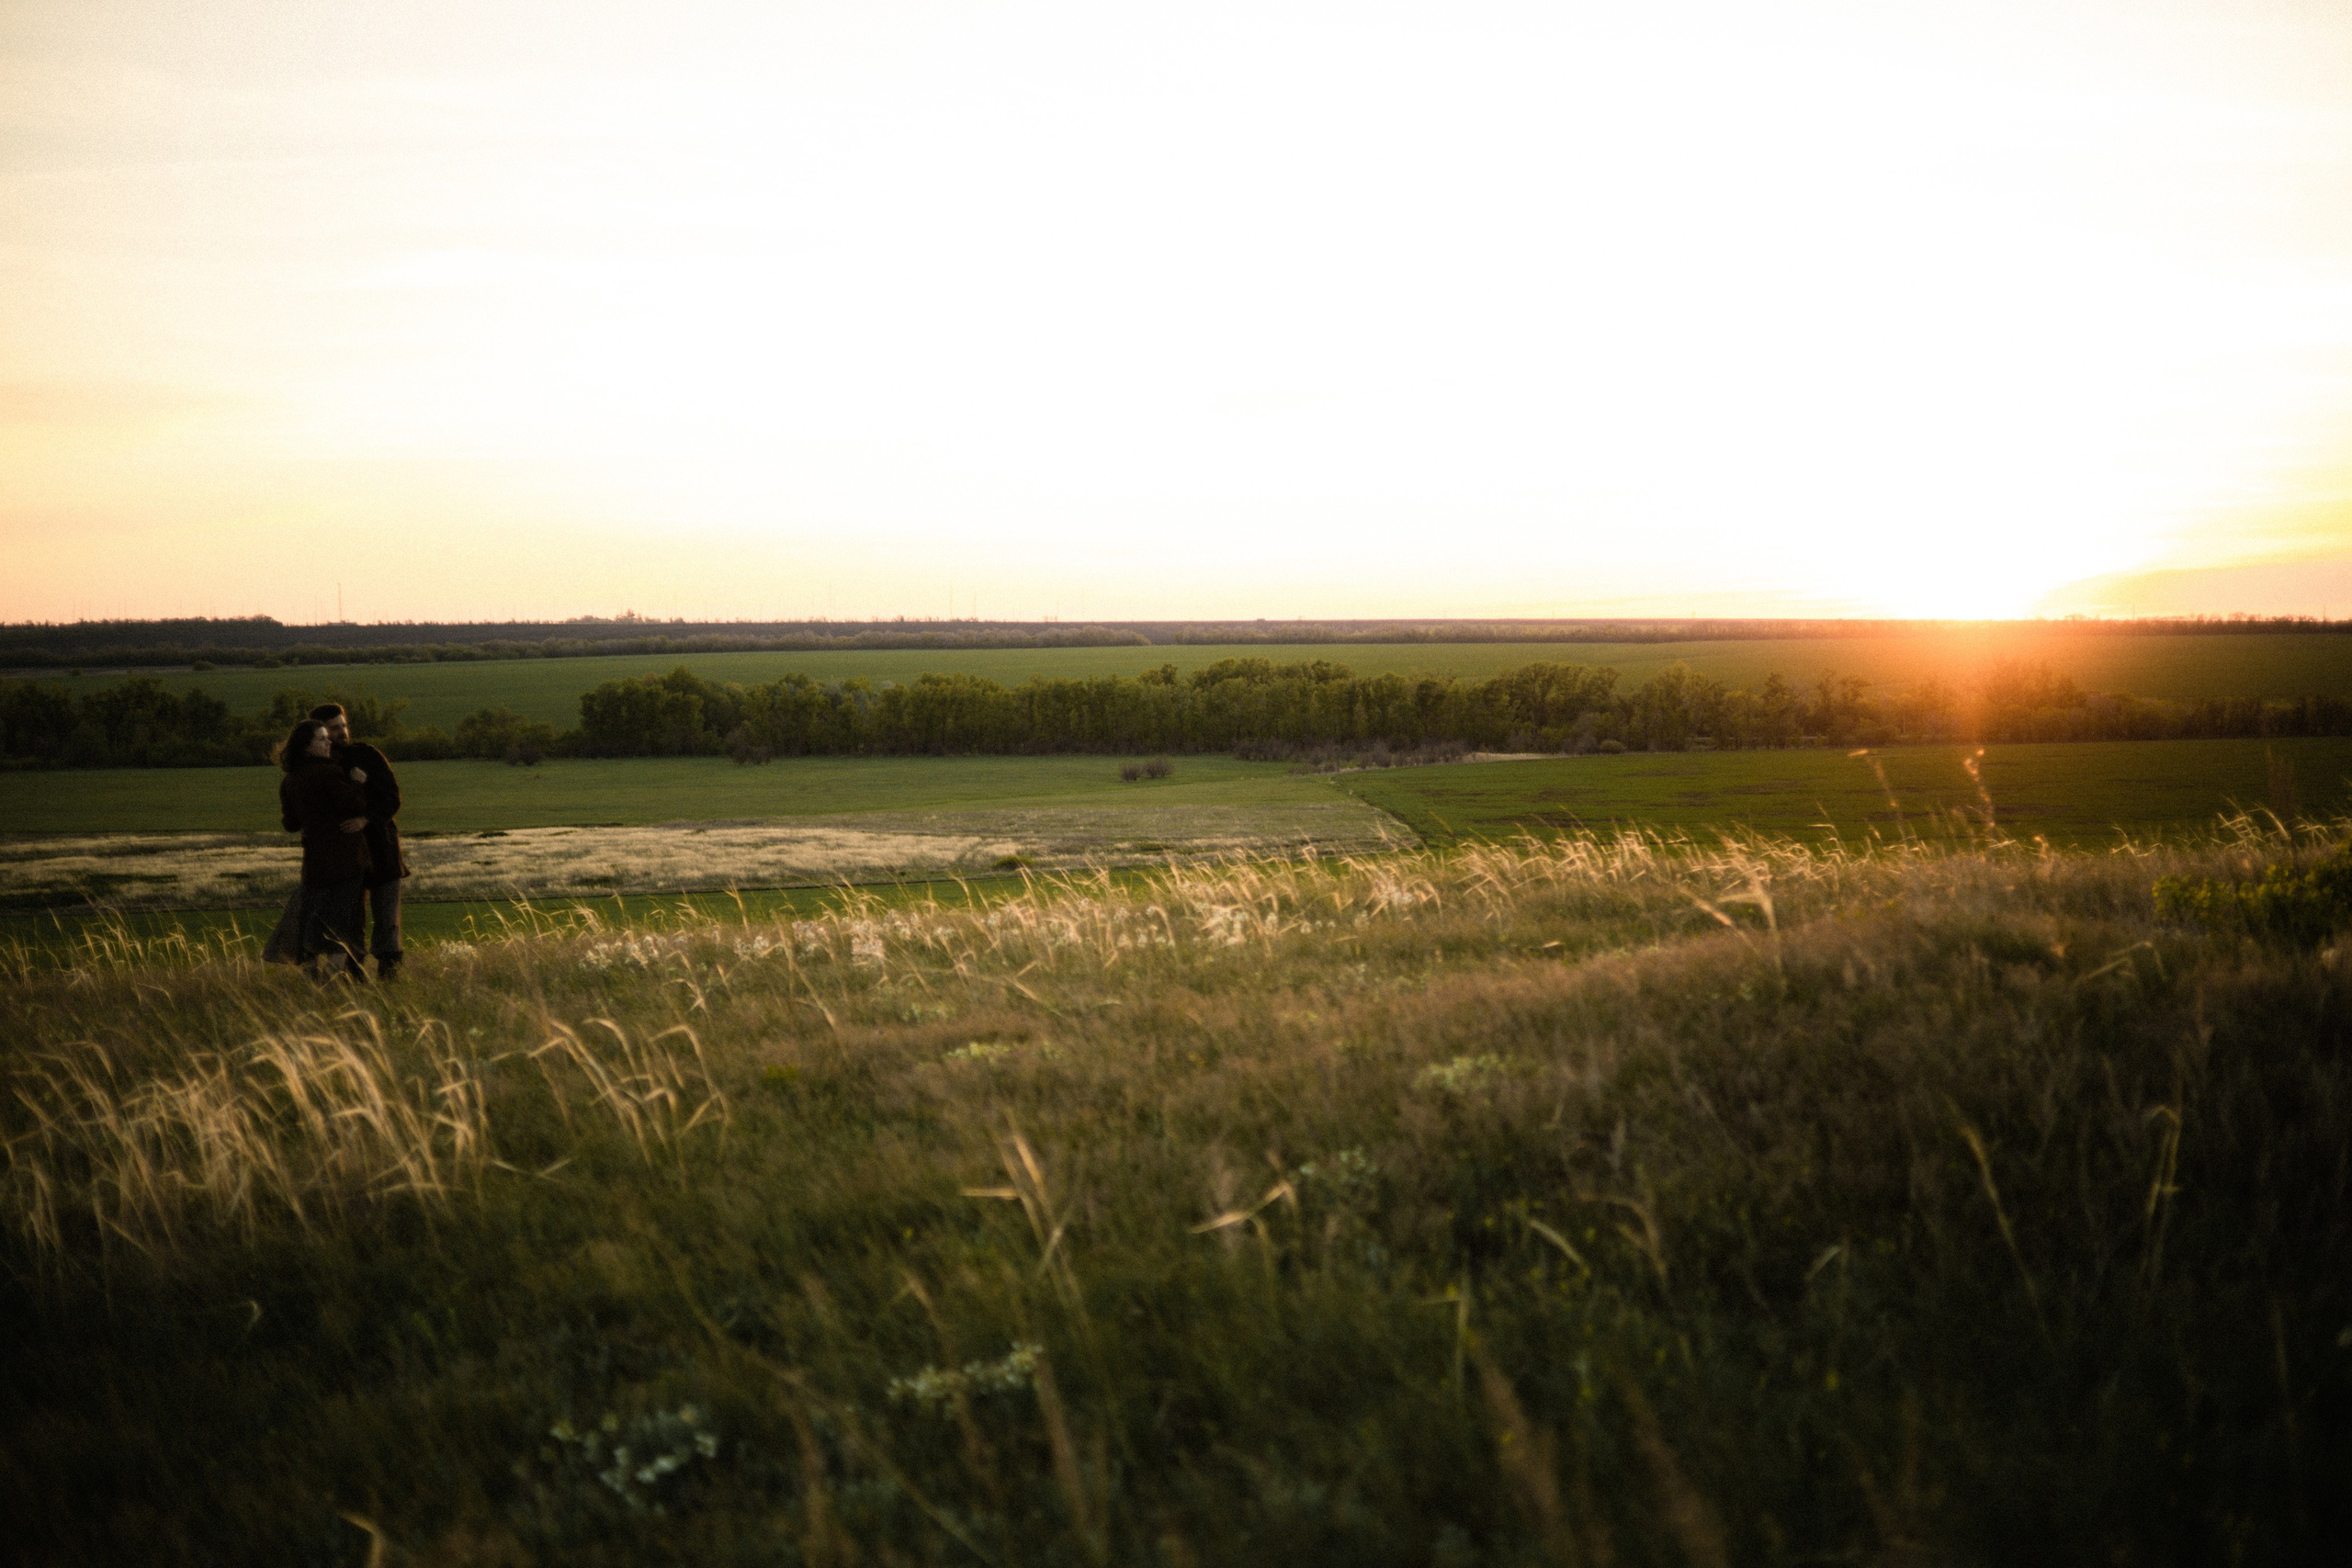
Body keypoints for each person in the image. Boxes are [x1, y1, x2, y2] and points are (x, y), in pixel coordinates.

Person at [313, 702, 409, 978]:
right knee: (350, 920)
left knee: (387, 919)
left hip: (381, 847)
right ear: (322, 732)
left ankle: (390, 979)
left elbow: (392, 798)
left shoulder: (368, 755)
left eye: (343, 725)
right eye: (334, 728)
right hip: (345, 854)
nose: (342, 732)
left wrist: (366, 819)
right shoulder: (320, 767)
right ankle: (354, 978)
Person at [274, 718, 371, 978]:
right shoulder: (329, 773)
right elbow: (354, 805)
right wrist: (357, 783)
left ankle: (311, 977)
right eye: (321, 738)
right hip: (345, 860)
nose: (329, 742)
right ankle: (331, 976)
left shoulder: (290, 781)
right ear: (307, 746)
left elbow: (290, 824)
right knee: (342, 921)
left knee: (311, 919)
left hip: (314, 862)